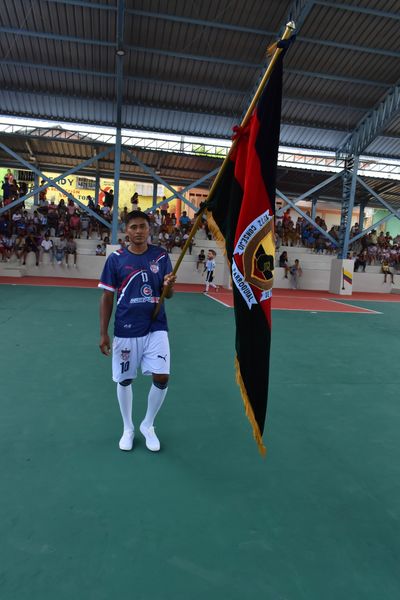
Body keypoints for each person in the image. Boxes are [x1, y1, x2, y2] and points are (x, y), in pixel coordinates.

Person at [98, 210, 176, 453]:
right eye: (134, 227)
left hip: (156, 326)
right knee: (125, 379)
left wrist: (168, 286)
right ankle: (128, 428)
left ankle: (148, 425)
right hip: (126, 328)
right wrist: (103, 333)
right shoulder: (116, 259)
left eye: (143, 226)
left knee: (162, 377)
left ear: (149, 229)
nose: (139, 231)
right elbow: (107, 296)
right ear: (126, 231)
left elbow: (169, 295)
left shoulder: (161, 256)